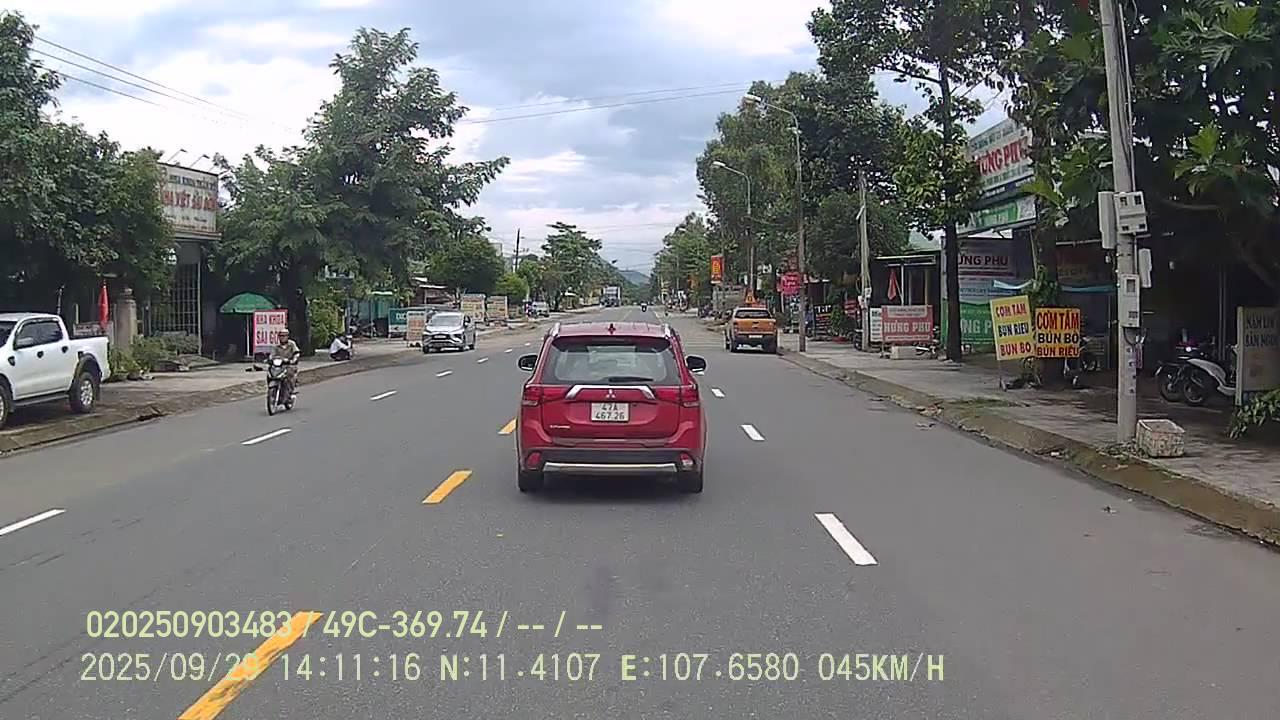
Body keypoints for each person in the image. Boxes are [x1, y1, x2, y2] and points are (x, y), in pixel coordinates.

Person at [270, 328, 301, 396]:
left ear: (287, 336)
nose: (282, 337)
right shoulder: (276, 346)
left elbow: (296, 353)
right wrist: (270, 360)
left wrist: (294, 359)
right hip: (279, 366)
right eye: (281, 336)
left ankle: (291, 389)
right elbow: (272, 355)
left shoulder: (292, 344)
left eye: (284, 336)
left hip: (289, 365)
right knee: (270, 373)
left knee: (290, 373)